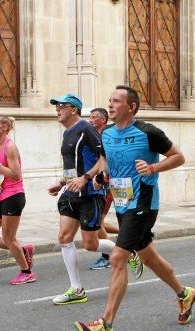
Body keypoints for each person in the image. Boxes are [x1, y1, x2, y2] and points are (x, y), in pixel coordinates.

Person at [74, 85, 195, 331]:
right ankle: (184, 293)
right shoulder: (106, 133)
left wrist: (153, 167)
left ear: (131, 107)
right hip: (121, 201)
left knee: (118, 256)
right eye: (109, 100)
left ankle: (105, 325)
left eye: (116, 101)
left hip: (143, 202)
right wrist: (101, 176)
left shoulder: (148, 132)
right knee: (147, 255)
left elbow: (178, 157)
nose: (110, 105)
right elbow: (106, 161)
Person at [47, 94, 142, 305]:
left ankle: (128, 252)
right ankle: (77, 289)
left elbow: (104, 158)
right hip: (72, 194)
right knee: (64, 238)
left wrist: (86, 178)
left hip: (91, 193)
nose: (57, 110)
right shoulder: (67, 134)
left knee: (90, 245)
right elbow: (74, 166)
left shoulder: (85, 129)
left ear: (73, 109)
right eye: (56, 107)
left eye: (61, 106)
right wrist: (62, 182)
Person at [0, 116, 35, 285]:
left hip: (14, 195)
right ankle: (23, 250)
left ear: (4, 127)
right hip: (0, 195)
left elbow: (15, 174)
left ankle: (27, 272)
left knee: (9, 238)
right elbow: (1, 171)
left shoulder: (10, 147)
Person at [87, 107, 120, 270]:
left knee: (98, 221)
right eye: (90, 117)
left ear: (103, 120)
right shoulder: (92, 136)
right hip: (98, 184)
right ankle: (128, 236)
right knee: (96, 222)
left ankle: (108, 256)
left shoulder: (107, 137)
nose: (90, 120)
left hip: (108, 184)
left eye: (94, 117)